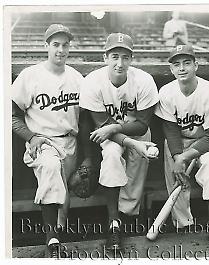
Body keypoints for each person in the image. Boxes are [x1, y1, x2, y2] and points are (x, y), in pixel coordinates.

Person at [12, 24, 91, 258]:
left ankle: (57, 236)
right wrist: (31, 136)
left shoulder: (77, 78)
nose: (61, 50)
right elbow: (10, 113)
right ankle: (51, 239)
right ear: (46, 46)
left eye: (65, 45)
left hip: (70, 141)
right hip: (43, 142)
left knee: (63, 200)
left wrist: (87, 156)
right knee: (50, 167)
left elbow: (85, 121)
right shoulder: (30, 75)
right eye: (55, 44)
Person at [79, 33, 159, 251]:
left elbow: (142, 124)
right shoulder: (93, 82)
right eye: (115, 56)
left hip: (135, 132)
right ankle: (114, 223)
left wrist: (115, 127)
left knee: (135, 178)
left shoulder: (143, 81)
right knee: (112, 156)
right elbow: (100, 126)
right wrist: (114, 130)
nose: (120, 63)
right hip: (108, 136)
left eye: (125, 57)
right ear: (105, 57)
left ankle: (128, 220)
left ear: (132, 59)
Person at [154, 44, 209, 252]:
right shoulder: (167, 92)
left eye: (187, 63)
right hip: (178, 142)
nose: (182, 68)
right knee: (175, 179)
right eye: (176, 64)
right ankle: (183, 226)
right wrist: (178, 157)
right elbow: (169, 130)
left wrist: (185, 156)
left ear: (196, 65)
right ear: (171, 69)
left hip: (204, 143)